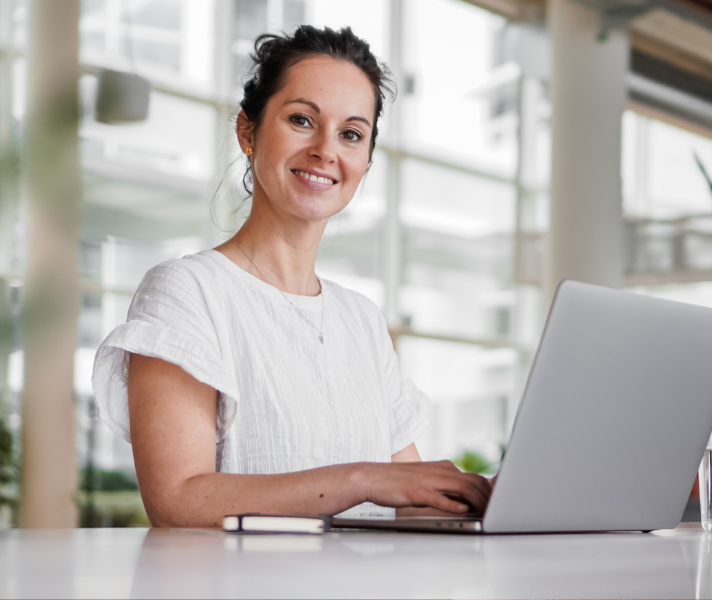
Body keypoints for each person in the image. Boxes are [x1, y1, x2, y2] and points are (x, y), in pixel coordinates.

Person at [92, 25, 492, 528]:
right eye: (302, 120)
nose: (327, 150)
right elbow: (178, 500)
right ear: (248, 132)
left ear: (365, 162)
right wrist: (362, 480)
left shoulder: (361, 320)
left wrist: (486, 497)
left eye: (351, 134)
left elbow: (410, 494)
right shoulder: (188, 291)